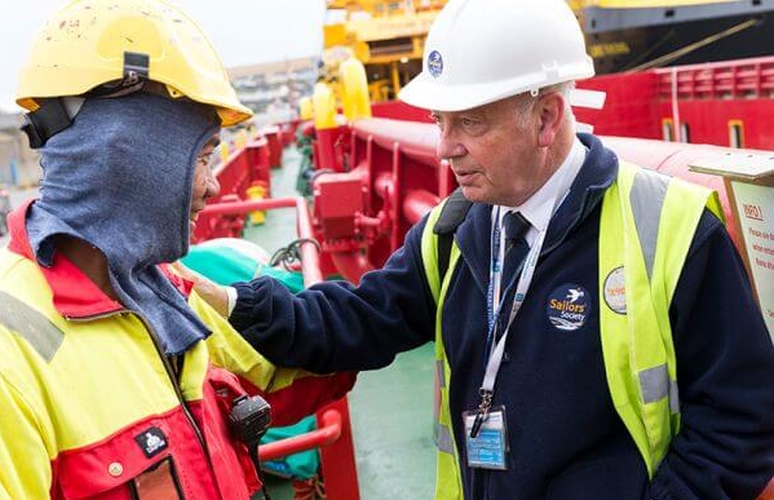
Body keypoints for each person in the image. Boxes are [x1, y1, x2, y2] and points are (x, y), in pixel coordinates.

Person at [200, 0, 774, 498]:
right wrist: (231, 301)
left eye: (469, 123)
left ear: (546, 117)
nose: (445, 148)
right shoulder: (459, 229)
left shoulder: (671, 230)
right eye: (439, 121)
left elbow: (742, 419)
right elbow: (362, 316)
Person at [0, 1, 354, 499]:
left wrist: (419, 286)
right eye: (201, 156)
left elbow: (293, 375)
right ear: (128, 153)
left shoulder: (161, 292)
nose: (215, 186)